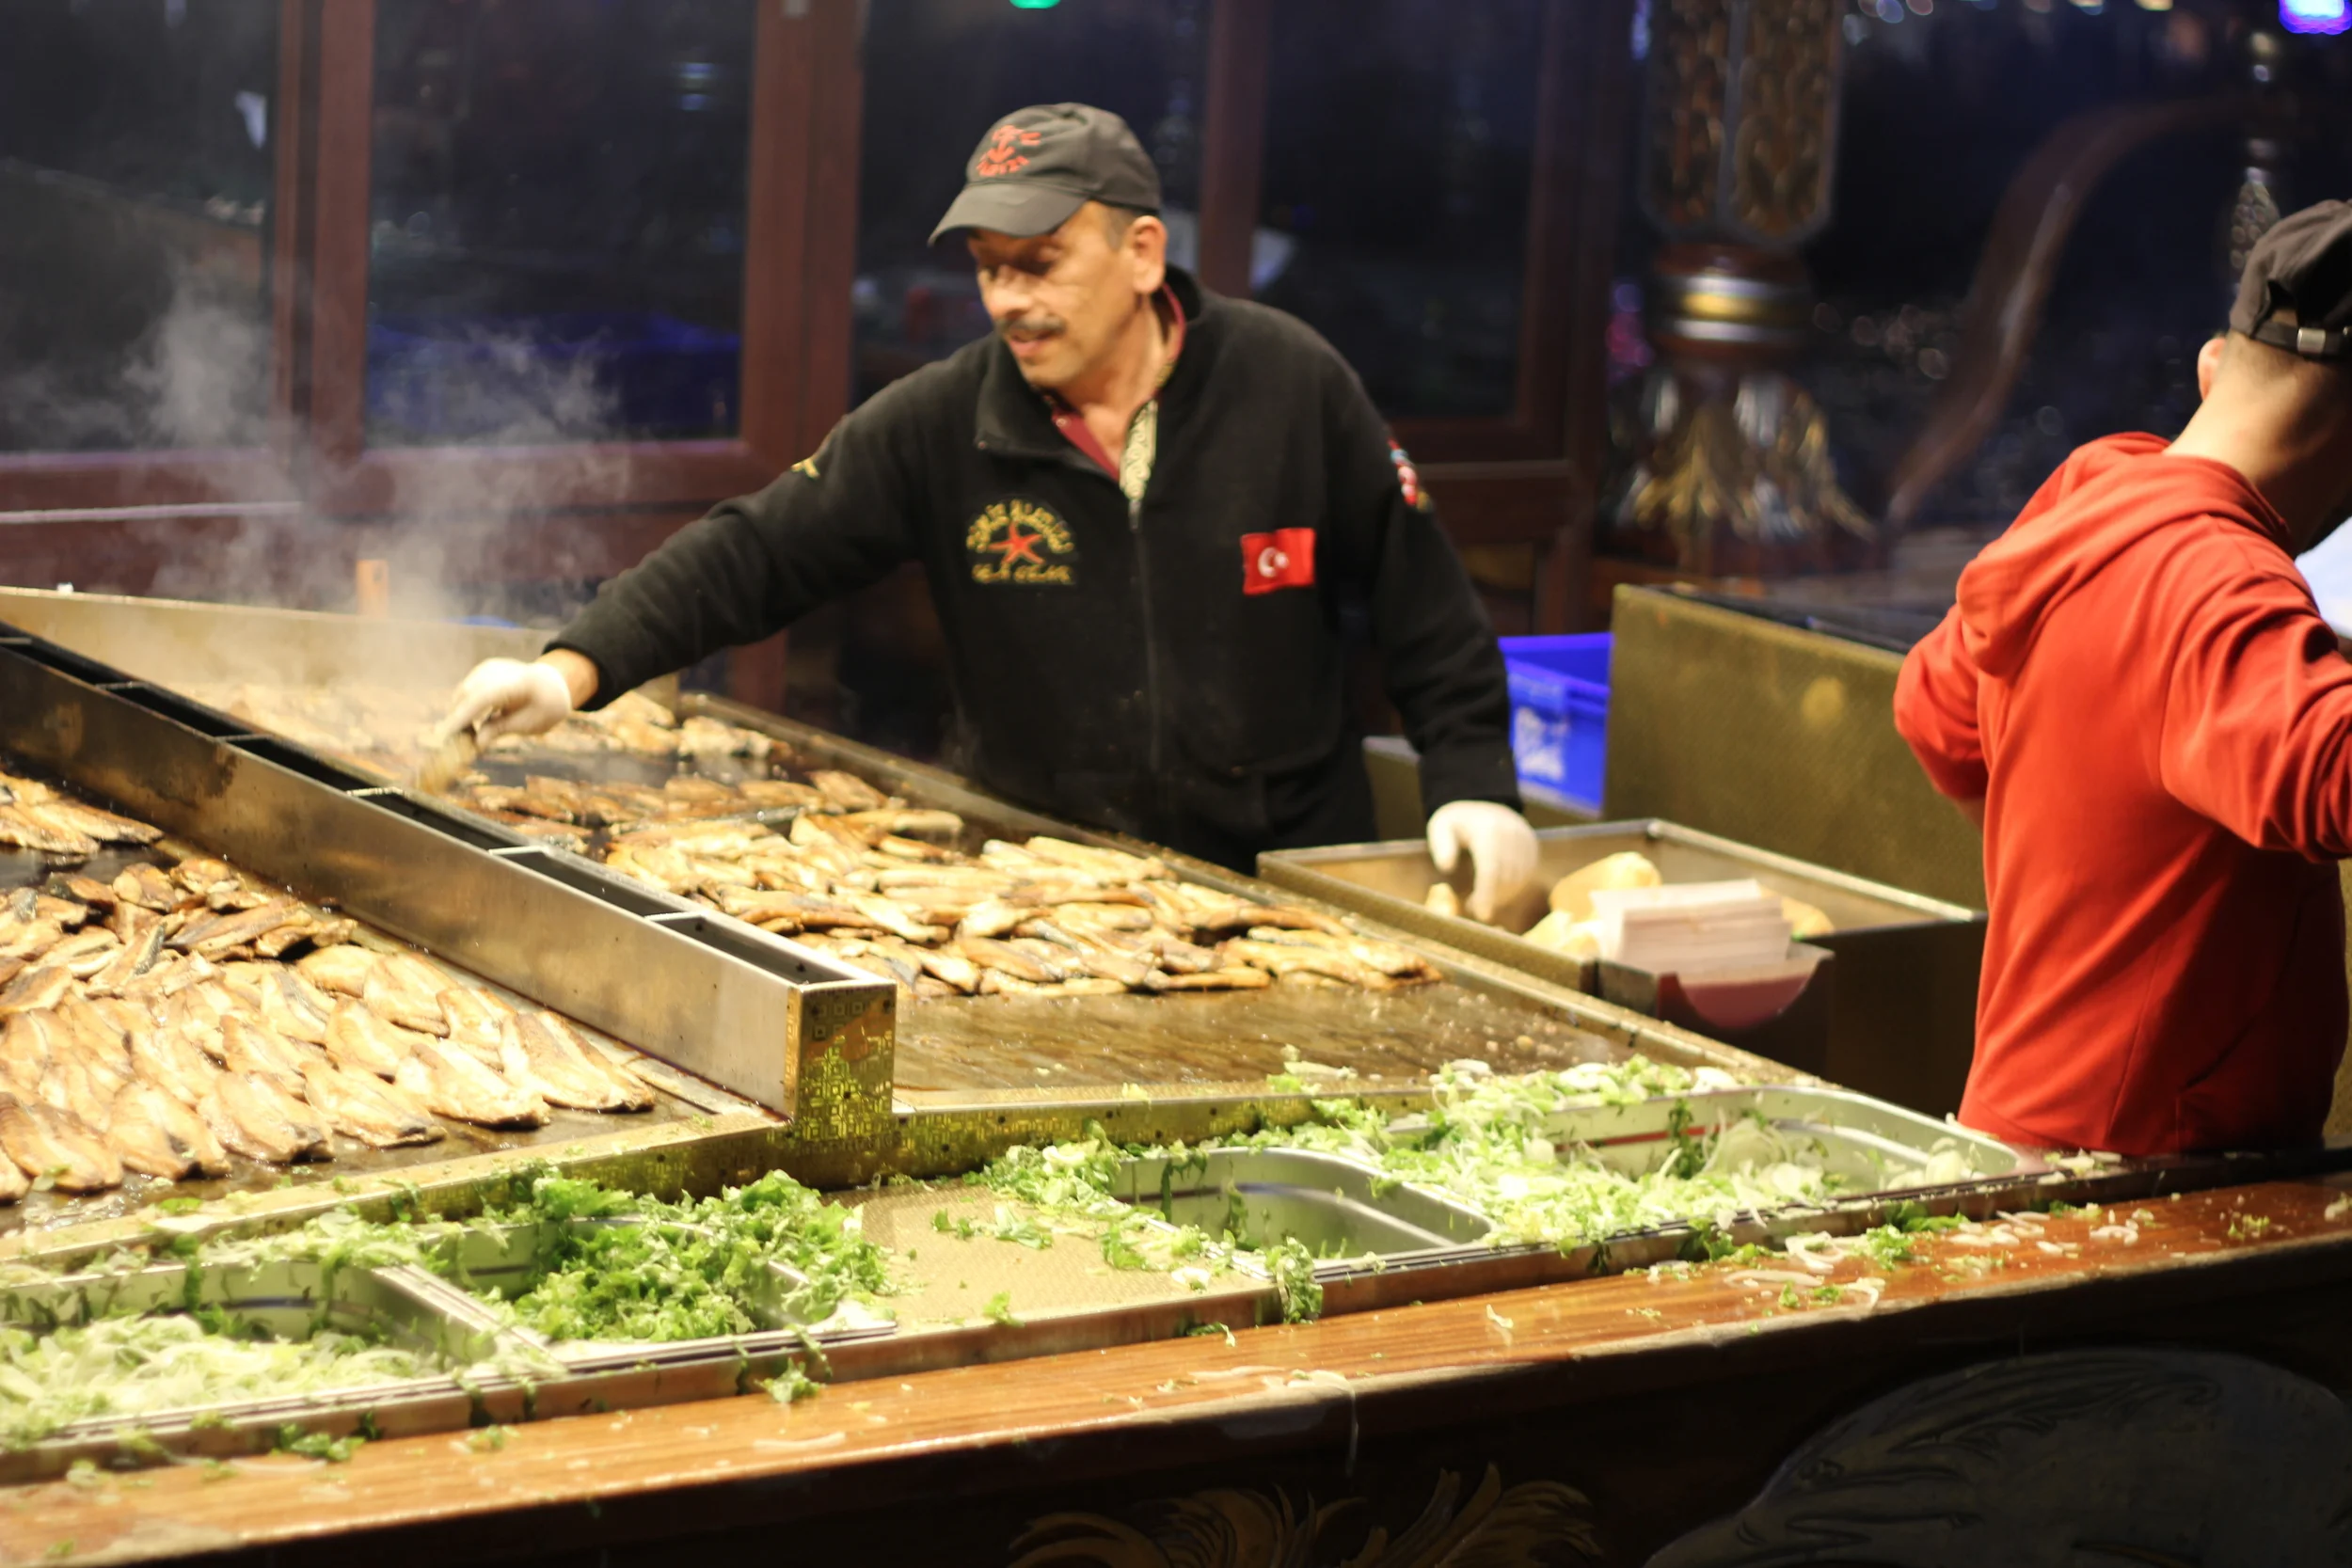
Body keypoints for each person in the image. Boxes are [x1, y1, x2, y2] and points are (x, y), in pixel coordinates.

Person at [437, 103, 1538, 917]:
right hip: (1049, 882)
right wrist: (569, 671)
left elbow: (1429, 612)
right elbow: (756, 551)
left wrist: (1478, 787)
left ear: (1142, 253)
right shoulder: (946, 418)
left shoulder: (1290, 384)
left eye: (1042, 264)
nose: (1011, 299)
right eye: (989, 269)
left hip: (1290, 882)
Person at [1895, 199, 2352, 1156]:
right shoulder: (2218, 579)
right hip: (2141, 1188)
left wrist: (2085, 903)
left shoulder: (2090, 491)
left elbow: (1933, 709)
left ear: (2213, 367)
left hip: (2017, 1138)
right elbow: (2333, 777)